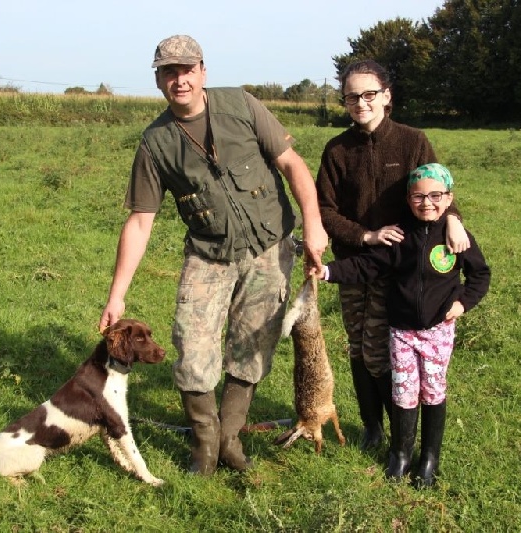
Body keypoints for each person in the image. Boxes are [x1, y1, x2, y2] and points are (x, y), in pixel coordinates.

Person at [98, 35, 328, 475]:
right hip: (208, 255)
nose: (179, 80)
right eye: (169, 72)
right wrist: (117, 295)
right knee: (191, 348)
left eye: (187, 70)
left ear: (203, 71)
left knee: (254, 345)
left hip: (270, 248)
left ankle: (229, 440)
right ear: (158, 80)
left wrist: (313, 225)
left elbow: (292, 164)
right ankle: (204, 447)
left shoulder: (241, 105)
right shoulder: (155, 143)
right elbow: (140, 221)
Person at [315, 59, 470, 451]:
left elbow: (435, 187)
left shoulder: (412, 141)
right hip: (353, 264)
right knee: (357, 346)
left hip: (399, 267)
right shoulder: (337, 150)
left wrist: (453, 218)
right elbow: (324, 211)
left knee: (379, 351)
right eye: (352, 96)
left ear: (386, 96)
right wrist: (365, 235)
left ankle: (402, 437)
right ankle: (372, 427)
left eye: (369, 94)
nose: (360, 103)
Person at [312, 163, 491, 488]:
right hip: (401, 333)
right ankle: (401, 454)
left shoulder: (456, 237)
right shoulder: (399, 236)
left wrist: (462, 303)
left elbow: (480, 274)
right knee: (403, 391)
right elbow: (367, 265)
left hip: (438, 331)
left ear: (449, 198)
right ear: (408, 199)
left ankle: (429, 459)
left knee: (433, 391)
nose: (427, 203)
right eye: (418, 196)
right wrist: (328, 272)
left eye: (435, 196)